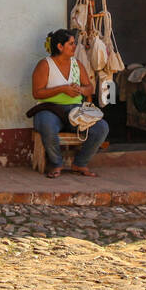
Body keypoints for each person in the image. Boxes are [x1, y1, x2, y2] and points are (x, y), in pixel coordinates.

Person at [29, 29, 109, 178]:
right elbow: (37, 93)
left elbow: (89, 88)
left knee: (101, 128)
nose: (74, 47)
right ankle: (56, 164)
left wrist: (80, 89)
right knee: (47, 125)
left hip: (76, 111)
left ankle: (80, 163)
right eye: (71, 44)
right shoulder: (45, 65)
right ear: (60, 46)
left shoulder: (76, 64)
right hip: (50, 110)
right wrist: (62, 89)